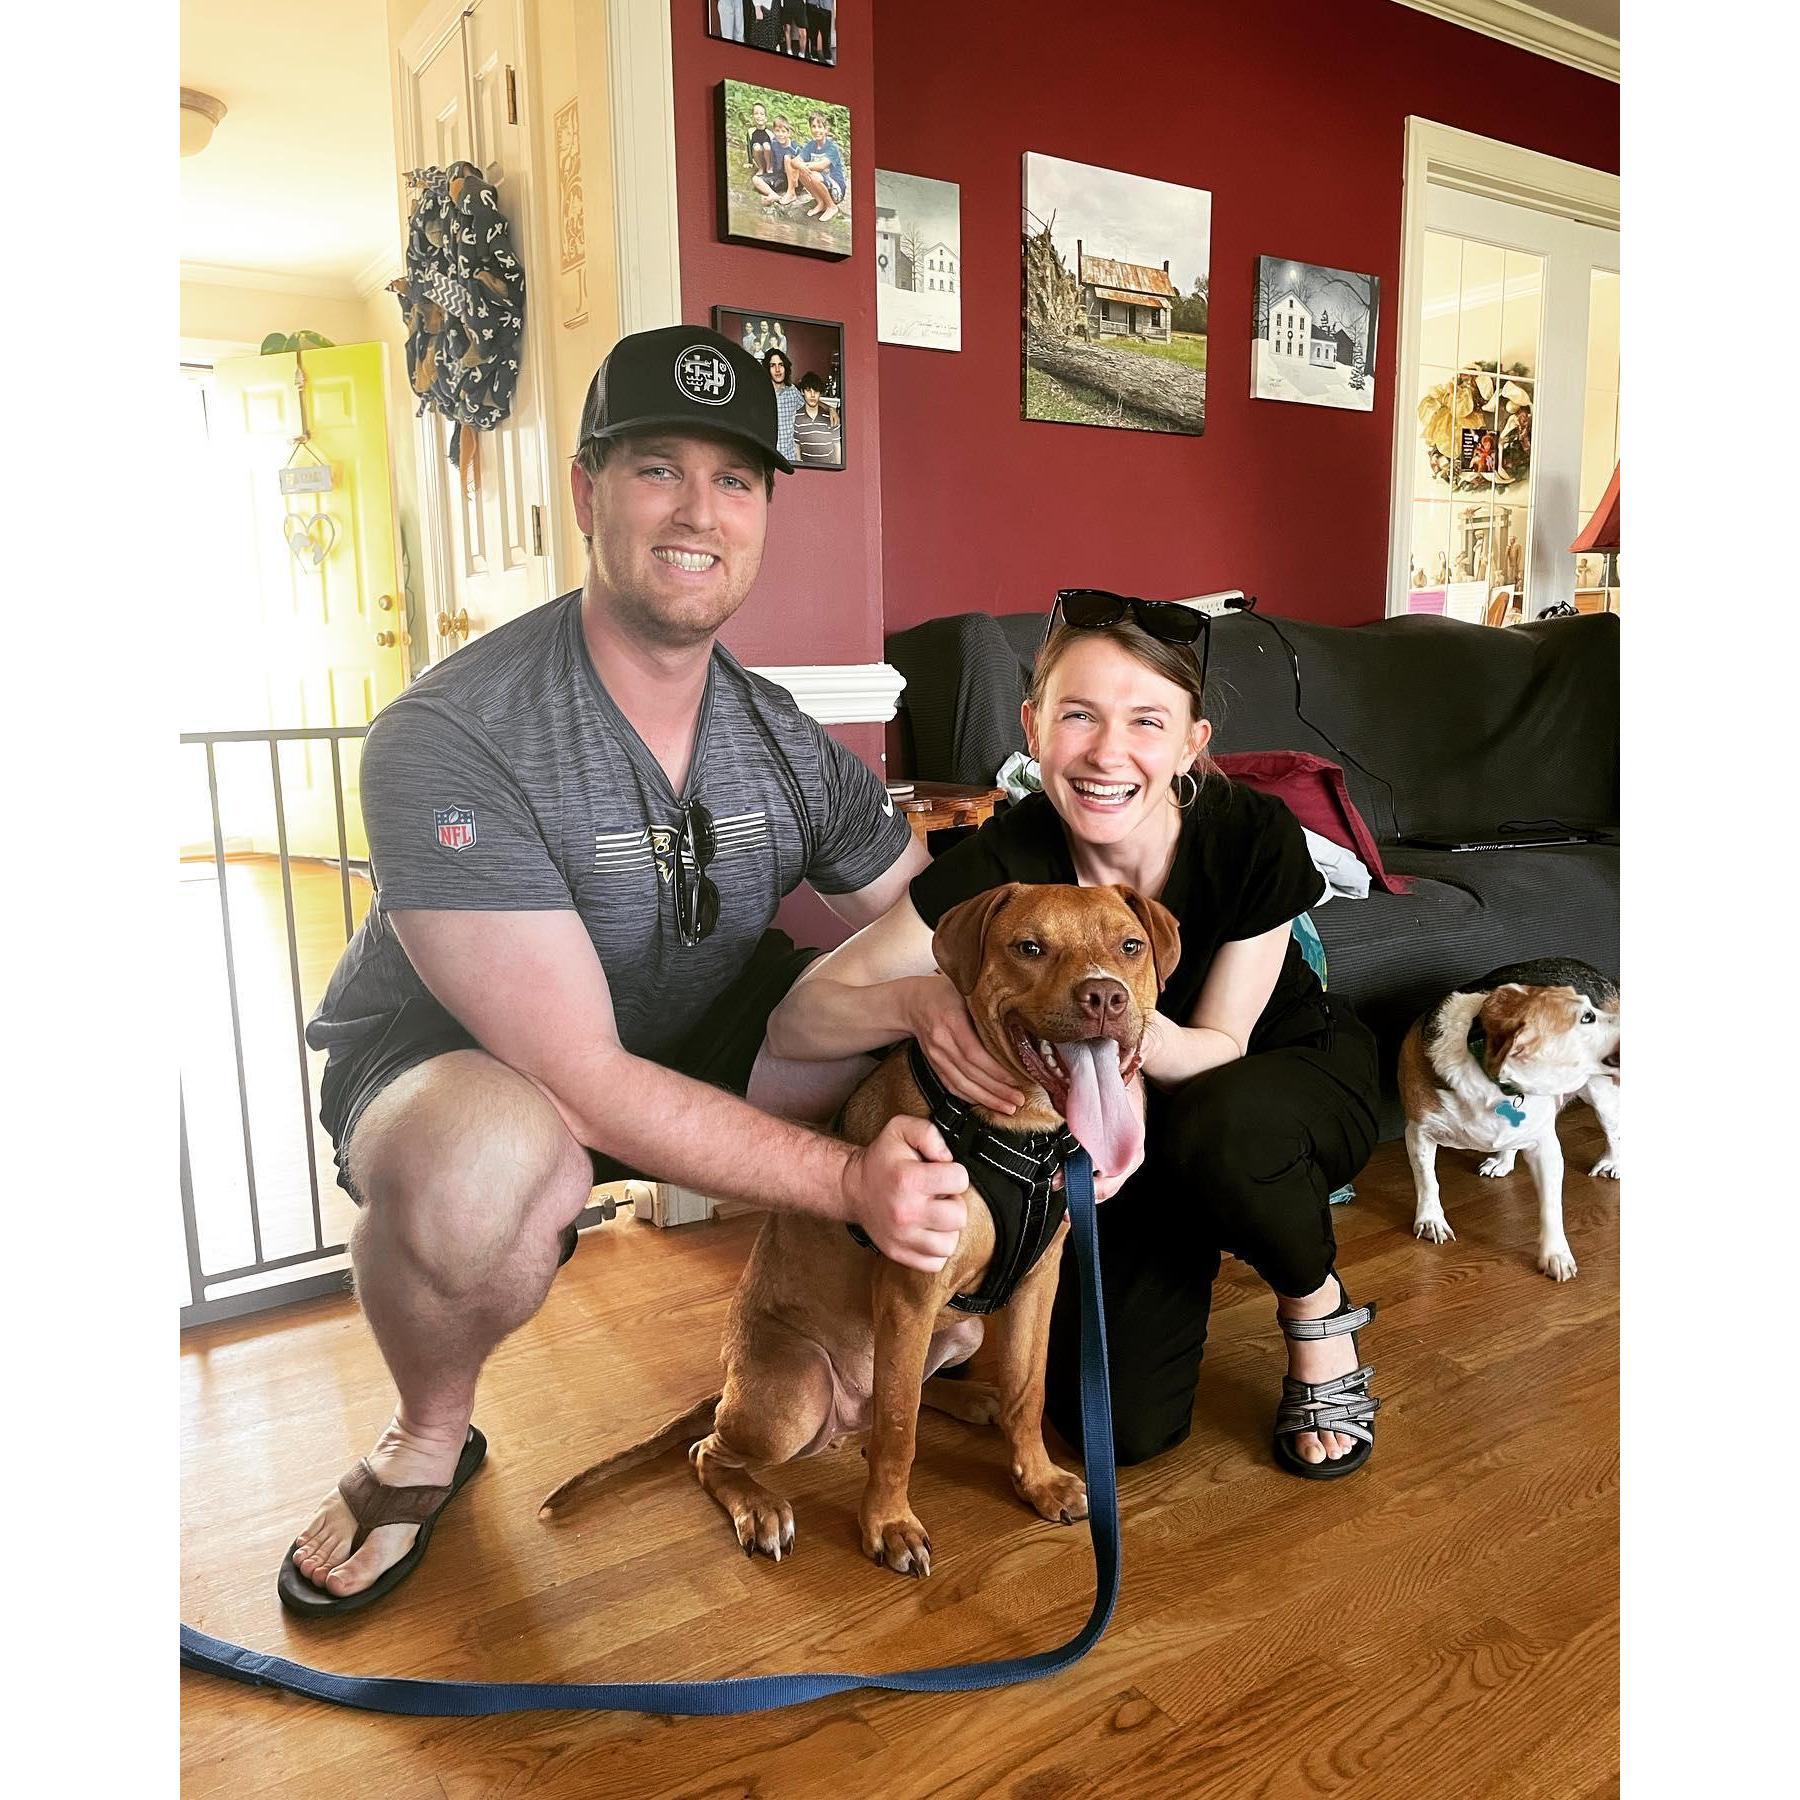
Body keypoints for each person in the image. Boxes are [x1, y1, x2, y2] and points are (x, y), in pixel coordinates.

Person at [284, 325, 967, 1612]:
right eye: (659, 469)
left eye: (737, 481)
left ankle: (889, 1341)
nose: (698, 512)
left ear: (766, 513)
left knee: (907, 1012)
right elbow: (580, 1076)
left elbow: (926, 934)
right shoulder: (451, 733)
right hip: (476, 1063)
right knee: (492, 1167)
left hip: (698, 1026)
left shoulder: (783, 738)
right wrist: (852, 1186)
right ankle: (428, 1434)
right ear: (591, 488)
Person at [763, 593, 1384, 1477]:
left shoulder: (1250, 836)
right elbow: (799, 1018)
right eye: (1078, 716)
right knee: (1122, 1428)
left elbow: (1222, 1044)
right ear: (1035, 727)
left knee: (1226, 1122)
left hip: (1267, 1080)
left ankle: (1314, 1308)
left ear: (1190, 744)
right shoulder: (1003, 865)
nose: (1107, 753)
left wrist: (1124, 1051)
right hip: (1101, 1134)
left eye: (1146, 721)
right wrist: (917, 1005)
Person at [789, 110, 847, 223]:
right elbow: (794, 162)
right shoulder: (811, 145)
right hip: (821, 184)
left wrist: (804, 165)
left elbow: (822, 166)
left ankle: (831, 206)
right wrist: (801, 166)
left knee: (813, 174)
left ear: (826, 130)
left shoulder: (832, 148)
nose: (816, 130)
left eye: (820, 127)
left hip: (837, 190)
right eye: (813, 127)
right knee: (801, 172)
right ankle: (820, 202)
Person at [792, 370, 842, 466]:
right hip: (807, 470)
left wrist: (837, 469)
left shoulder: (830, 417)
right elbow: (796, 447)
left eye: (816, 391)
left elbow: (837, 446)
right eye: (808, 390)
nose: (812, 395)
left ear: (820, 393)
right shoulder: (797, 417)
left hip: (828, 468)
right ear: (802, 392)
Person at [765, 347, 803, 464]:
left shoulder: (792, 391)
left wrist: (830, 408)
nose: (777, 370)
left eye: (780, 364)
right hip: (768, 460)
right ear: (767, 369)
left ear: (785, 367)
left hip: (790, 459)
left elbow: (810, 405)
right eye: (773, 365)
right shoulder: (761, 393)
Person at [744, 101, 775, 198]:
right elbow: (749, 146)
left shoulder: (770, 133)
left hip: (768, 158)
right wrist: (750, 162)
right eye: (756, 113)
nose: (759, 116)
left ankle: (769, 168)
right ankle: (761, 168)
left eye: (762, 114)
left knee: (766, 145)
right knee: (756, 146)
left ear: (766, 118)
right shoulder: (750, 131)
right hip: (758, 157)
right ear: (752, 116)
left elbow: (774, 149)